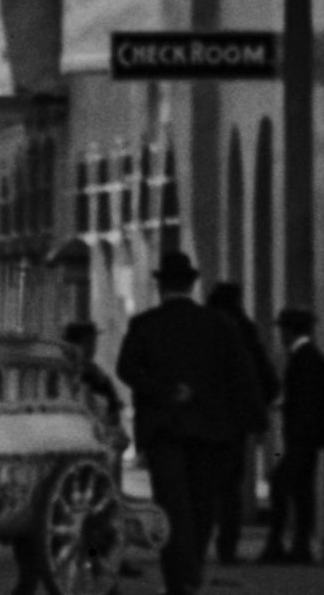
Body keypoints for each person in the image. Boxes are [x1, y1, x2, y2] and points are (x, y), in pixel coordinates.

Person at [117, 251, 267, 595]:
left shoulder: (145, 325)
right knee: (202, 504)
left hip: (163, 429)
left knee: (171, 505)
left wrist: (164, 391)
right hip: (211, 431)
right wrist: (255, 421)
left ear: (160, 286)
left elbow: (127, 369)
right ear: (193, 284)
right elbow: (242, 375)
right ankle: (193, 568)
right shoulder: (219, 325)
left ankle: (179, 577)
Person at [206, 282, 280, 565]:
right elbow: (260, 372)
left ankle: (196, 543)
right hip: (234, 421)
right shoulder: (243, 329)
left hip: (202, 416)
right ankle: (227, 546)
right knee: (230, 487)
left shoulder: (204, 327)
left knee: (202, 482)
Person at [61, 321, 142, 579]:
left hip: (99, 445)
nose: (93, 346)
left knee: (106, 505)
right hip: (89, 445)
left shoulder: (88, 371)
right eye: (89, 342)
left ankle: (107, 558)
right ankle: (105, 559)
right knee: (101, 506)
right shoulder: (78, 371)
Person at [258, 308, 324, 565]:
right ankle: (299, 546)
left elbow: (306, 401)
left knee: (281, 484)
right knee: (302, 491)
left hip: (302, 436)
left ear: (289, 330)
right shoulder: (308, 356)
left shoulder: (304, 358)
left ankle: (278, 543)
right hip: (306, 436)